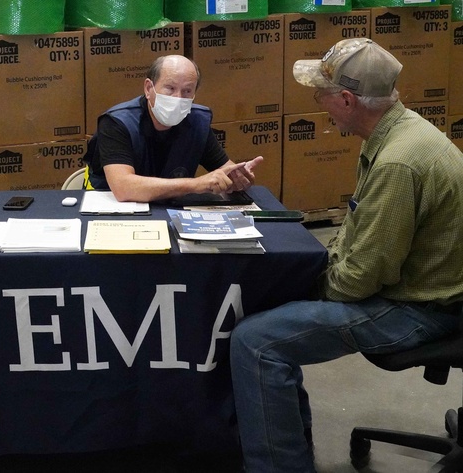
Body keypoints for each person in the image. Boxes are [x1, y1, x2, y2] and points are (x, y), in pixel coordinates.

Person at [230, 38, 463, 473]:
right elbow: (359, 237)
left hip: (419, 307)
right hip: (421, 288)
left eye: (321, 96)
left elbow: (361, 278)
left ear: (347, 98)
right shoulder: (396, 131)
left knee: (256, 341)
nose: (320, 105)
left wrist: (307, 285)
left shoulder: (398, 162)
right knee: (278, 320)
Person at [85, 54, 262, 202]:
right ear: (149, 88)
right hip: (114, 211)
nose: (178, 98)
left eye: (187, 91)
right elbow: (124, 188)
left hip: (172, 209)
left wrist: (237, 178)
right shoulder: (117, 122)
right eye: (170, 88)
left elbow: (225, 169)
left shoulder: (197, 122)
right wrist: (196, 184)